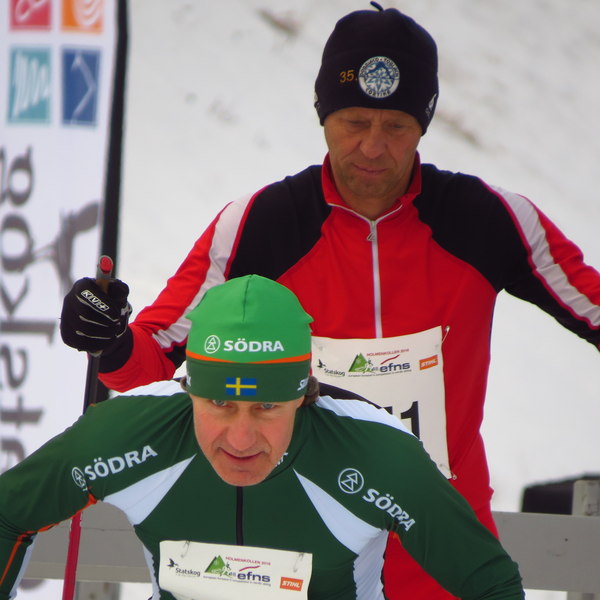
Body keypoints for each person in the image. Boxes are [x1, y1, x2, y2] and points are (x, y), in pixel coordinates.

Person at [59, 4, 600, 600]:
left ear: (425, 123)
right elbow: (151, 359)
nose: (372, 146)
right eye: (354, 121)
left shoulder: (487, 221)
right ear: (323, 115)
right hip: (305, 547)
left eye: (396, 126)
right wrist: (107, 338)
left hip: (441, 549)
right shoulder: (262, 225)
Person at [2, 276, 524, 600]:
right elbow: (8, 514)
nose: (241, 437)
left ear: (303, 394)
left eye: (267, 406)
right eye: (219, 404)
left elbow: (492, 584)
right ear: (189, 389)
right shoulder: (129, 434)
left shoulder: (377, 455)